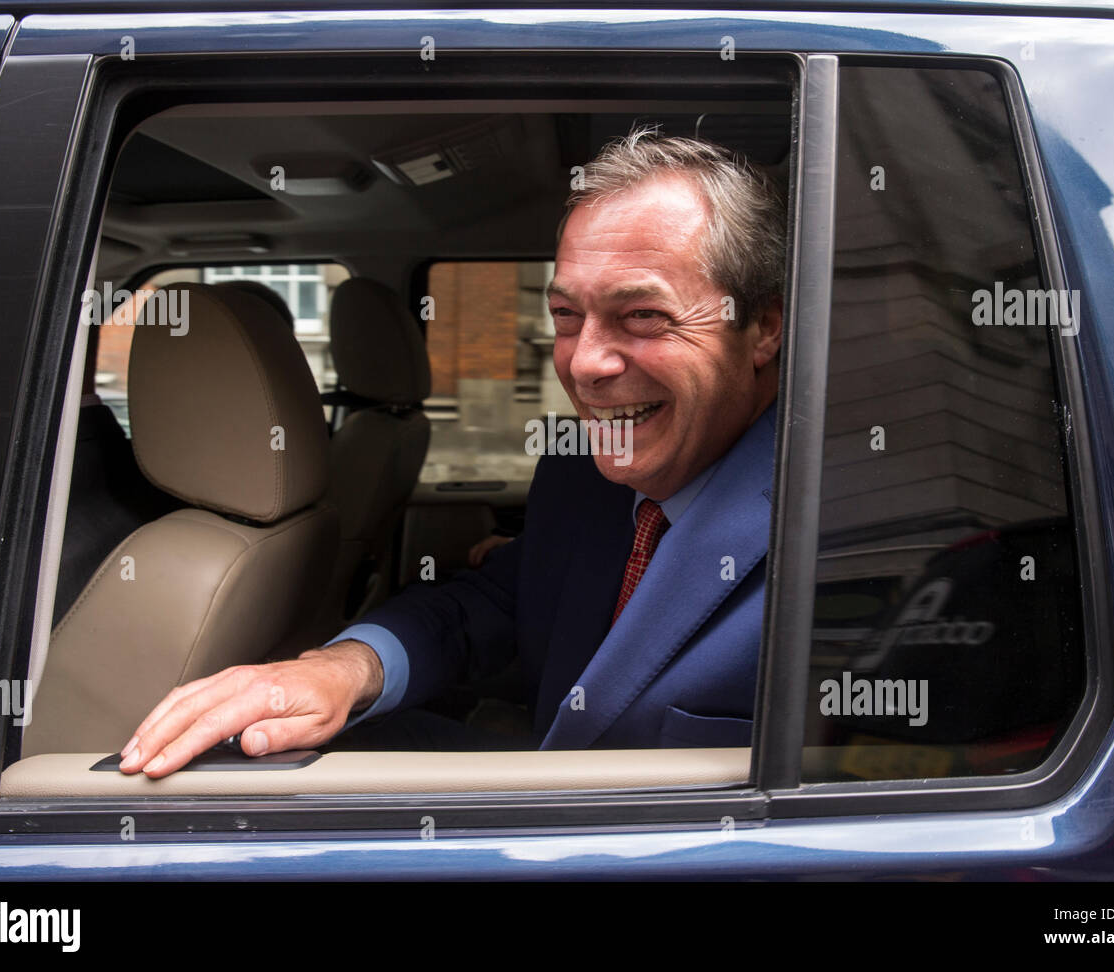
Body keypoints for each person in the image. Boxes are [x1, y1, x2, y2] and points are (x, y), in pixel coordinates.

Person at [118, 128, 786, 777]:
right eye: (566, 317)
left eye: (642, 315)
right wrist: (345, 669)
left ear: (763, 327)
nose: (584, 365)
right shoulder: (580, 473)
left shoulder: (842, 533)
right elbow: (488, 604)